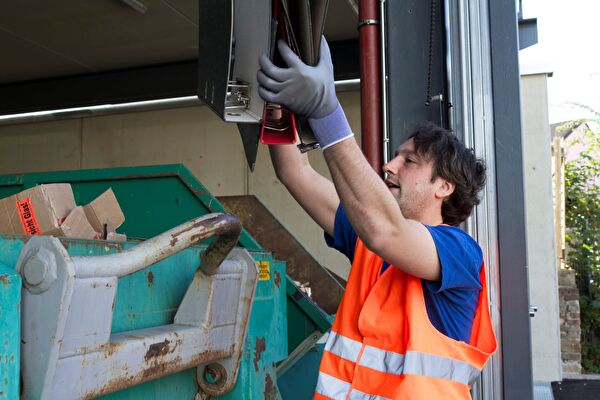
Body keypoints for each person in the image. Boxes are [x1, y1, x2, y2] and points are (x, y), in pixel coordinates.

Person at [257, 37, 497, 400]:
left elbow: (387, 232)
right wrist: (279, 116)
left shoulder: (460, 252)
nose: (389, 165)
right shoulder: (370, 242)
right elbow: (297, 175)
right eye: (395, 156)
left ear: (444, 187)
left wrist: (326, 111)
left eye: (409, 161)